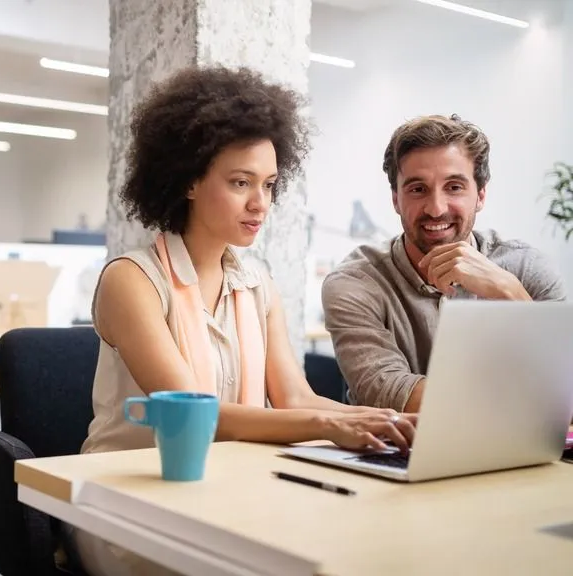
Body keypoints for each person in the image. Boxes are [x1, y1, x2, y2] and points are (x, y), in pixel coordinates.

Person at [71, 66, 417, 576]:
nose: (261, 204)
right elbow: (197, 416)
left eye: (269, 184)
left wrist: (386, 424)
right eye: (240, 183)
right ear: (188, 180)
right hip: (127, 505)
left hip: (229, 492)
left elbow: (295, 399)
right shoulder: (133, 281)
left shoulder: (257, 284)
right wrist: (334, 424)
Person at [322, 114, 567, 413]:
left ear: (481, 195)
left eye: (454, 187)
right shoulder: (356, 283)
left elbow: (566, 391)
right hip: (398, 454)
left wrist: (510, 293)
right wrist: (527, 395)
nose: (436, 209)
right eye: (417, 189)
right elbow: (389, 393)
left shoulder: (526, 268)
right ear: (396, 199)